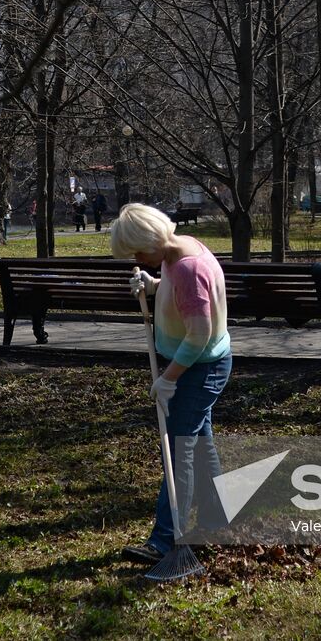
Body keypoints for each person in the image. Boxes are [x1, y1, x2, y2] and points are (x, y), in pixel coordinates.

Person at [109, 203, 231, 566]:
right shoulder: (178, 251)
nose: (137, 259)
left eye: (138, 252)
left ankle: (166, 539)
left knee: (179, 453)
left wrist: (167, 379)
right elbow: (180, 294)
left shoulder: (189, 268)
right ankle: (217, 518)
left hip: (200, 369)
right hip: (198, 366)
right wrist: (153, 285)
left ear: (152, 239)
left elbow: (198, 334)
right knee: (200, 442)